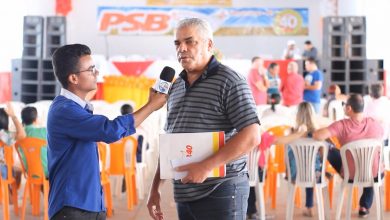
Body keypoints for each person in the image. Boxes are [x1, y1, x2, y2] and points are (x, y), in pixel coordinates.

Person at [147, 18, 261, 220]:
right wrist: (155, 188)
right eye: (177, 43)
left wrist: (207, 166)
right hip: (185, 192)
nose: (182, 48)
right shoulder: (176, 86)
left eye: (190, 41)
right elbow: (171, 141)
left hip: (223, 190)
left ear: (209, 44)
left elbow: (252, 136)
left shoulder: (230, 81)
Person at [47, 44, 167, 219]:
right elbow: (110, 130)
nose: (97, 74)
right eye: (91, 70)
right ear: (73, 78)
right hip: (72, 206)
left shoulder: (76, 108)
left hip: (90, 203)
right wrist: (150, 107)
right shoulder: (64, 110)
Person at [313, 94, 383, 218]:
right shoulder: (376, 124)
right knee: (372, 164)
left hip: (351, 174)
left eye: (344, 105)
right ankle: (364, 206)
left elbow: (317, 136)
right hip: (374, 173)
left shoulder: (341, 125)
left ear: (349, 108)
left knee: (327, 147)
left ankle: (323, 172)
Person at [0, 103, 25, 196]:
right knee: (18, 171)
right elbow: (22, 134)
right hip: (3, 174)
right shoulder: (4, 135)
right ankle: (10, 195)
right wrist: (13, 115)